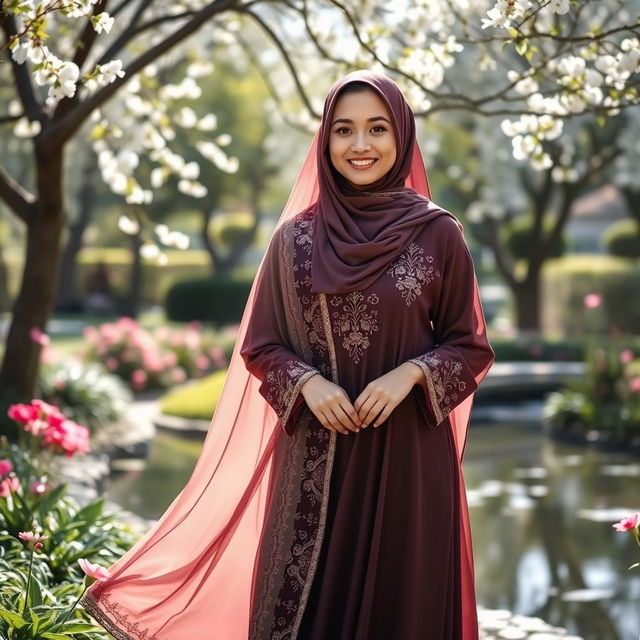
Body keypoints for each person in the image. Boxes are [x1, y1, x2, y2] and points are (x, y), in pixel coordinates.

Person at [80, 71, 495, 640]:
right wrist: (308, 384)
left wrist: (410, 375)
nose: (361, 145)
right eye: (343, 130)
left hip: (407, 461)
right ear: (325, 141)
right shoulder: (295, 241)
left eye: (377, 129)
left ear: (402, 137)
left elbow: (469, 344)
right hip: (315, 460)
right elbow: (262, 345)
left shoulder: (437, 234)